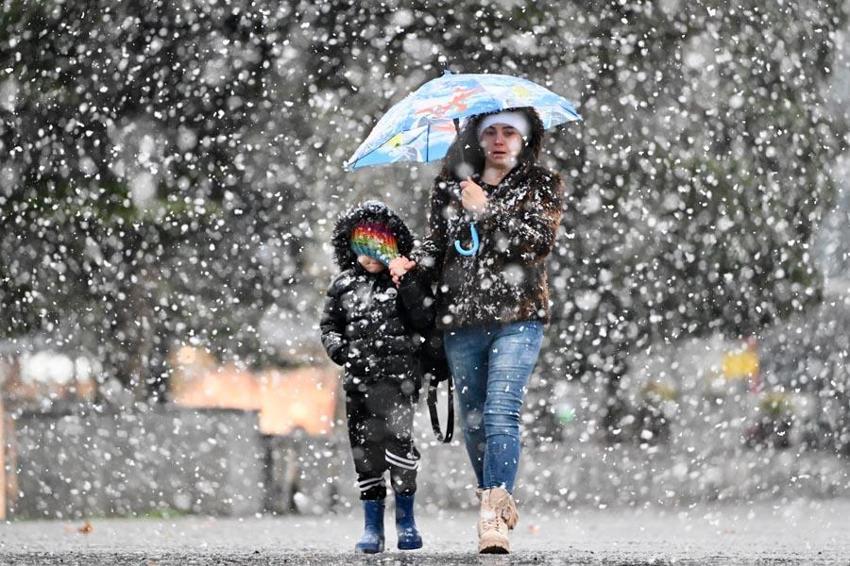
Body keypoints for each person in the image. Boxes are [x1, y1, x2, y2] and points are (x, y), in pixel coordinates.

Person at [389, 107, 565, 554]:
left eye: (510, 132)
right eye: (491, 132)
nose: (500, 140)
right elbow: (439, 246)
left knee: (499, 411)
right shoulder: (450, 185)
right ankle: (494, 499)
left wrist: (488, 210)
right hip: (461, 321)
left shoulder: (541, 184)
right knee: (473, 424)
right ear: (478, 138)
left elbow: (537, 243)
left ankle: (493, 517)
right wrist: (412, 265)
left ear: (526, 139)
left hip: (518, 317)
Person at [320, 200, 435, 554]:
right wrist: (340, 350)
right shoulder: (343, 286)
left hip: (398, 382)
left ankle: (406, 520)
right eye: (362, 251)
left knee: (400, 449)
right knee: (366, 455)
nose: (370, 259)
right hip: (359, 384)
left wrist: (408, 282)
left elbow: (422, 320)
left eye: (378, 251)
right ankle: (372, 526)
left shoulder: (402, 280)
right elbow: (330, 326)